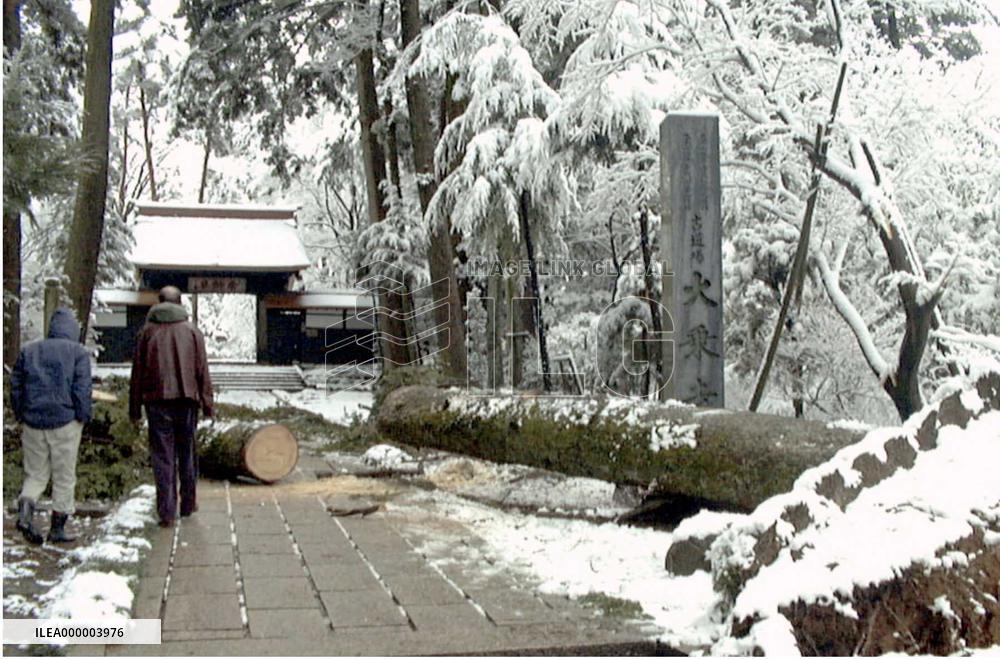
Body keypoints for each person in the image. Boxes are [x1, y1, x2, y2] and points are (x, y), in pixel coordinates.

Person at [129, 286, 213, 527]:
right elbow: (202, 371)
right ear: (179, 302)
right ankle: (188, 503)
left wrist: (134, 409)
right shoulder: (192, 332)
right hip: (187, 399)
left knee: (163, 456)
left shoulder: (146, 332)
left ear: (159, 301)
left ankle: (166, 512)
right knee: (187, 452)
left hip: (156, 400)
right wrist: (207, 404)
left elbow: (137, 373)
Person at [10, 307, 92, 545]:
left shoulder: (29, 351)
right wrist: (82, 416)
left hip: (33, 423)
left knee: (35, 475)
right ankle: (57, 528)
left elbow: (17, 388)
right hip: (65, 422)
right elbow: (81, 390)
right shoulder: (77, 352)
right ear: (72, 330)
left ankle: (25, 512)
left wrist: (21, 415)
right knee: (64, 476)